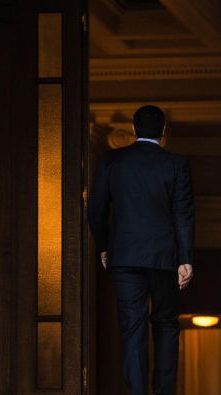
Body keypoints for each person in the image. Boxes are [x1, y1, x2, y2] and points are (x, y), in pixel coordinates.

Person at [87, 105, 195, 394]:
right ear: (164, 132)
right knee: (165, 324)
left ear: (133, 130)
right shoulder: (176, 163)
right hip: (164, 257)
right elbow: (182, 213)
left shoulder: (112, 161)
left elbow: (95, 208)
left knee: (132, 328)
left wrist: (104, 245)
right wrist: (185, 259)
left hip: (124, 256)